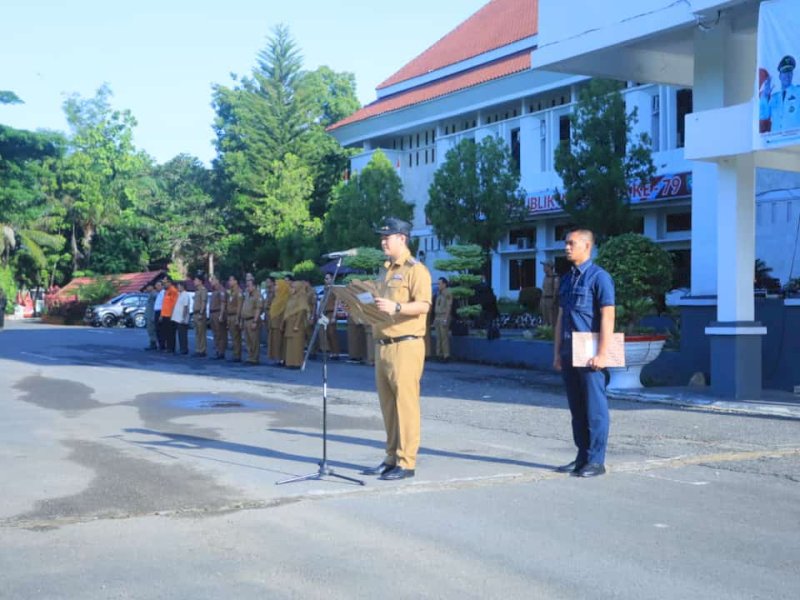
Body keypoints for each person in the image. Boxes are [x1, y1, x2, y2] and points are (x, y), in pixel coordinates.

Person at [362, 217, 432, 481]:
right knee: (388, 406)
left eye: (387, 237)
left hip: (406, 345)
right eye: (381, 237)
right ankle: (391, 457)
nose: (382, 241)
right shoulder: (385, 270)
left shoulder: (416, 270)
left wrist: (398, 308)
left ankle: (406, 461)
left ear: (402, 239)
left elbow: (424, 305)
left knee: (405, 405)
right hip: (383, 345)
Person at [553, 229, 615, 478]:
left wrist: (603, 353)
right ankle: (582, 457)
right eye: (566, 243)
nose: (567, 247)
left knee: (595, 408)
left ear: (587, 246)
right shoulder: (567, 279)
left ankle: (597, 460)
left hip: (590, 351)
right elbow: (560, 317)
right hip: (570, 350)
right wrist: (557, 352)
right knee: (577, 408)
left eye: (572, 243)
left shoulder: (599, 277)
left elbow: (608, 315)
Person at [759, 55, 800, 133]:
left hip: (794, 140)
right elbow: (763, 115)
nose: (788, 75)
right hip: (776, 141)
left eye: (790, 72)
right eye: (785, 72)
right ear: (780, 76)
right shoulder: (774, 97)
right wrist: (765, 95)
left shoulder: (798, 92)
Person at [282, 279, 310, 368]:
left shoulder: (302, 297)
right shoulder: (291, 297)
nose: (291, 289)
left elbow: (301, 312)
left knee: (296, 344)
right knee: (290, 343)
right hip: (289, 323)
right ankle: (289, 362)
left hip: (296, 324)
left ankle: (297, 363)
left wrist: (296, 325)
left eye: (293, 287)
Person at [268, 279, 290, 364]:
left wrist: (282, 324)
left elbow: (285, 313)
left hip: (279, 324)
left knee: (280, 343)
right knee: (274, 342)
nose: (275, 287)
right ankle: (277, 358)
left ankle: (282, 359)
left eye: (277, 285)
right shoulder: (276, 297)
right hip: (273, 323)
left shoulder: (285, 298)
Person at [241, 277, 262, 365]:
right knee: (248, 340)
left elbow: (258, 309)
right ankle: (250, 356)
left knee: (254, 340)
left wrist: (255, 321)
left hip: (252, 320)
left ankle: (255, 358)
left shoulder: (257, 295)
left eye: (249, 286)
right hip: (245, 320)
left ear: (254, 286)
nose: (247, 287)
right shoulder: (247, 294)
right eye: (247, 286)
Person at [320, 273, 341, 358]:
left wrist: (334, 316)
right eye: (325, 279)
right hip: (325, 312)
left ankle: (336, 353)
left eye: (328, 278)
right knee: (327, 333)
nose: (326, 280)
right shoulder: (325, 289)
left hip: (331, 312)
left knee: (332, 333)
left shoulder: (335, 289)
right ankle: (331, 352)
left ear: (332, 279)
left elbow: (336, 302)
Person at [434, 277, 453, 362]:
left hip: (443, 316)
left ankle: (446, 355)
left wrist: (446, 318)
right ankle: (439, 354)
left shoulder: (447, 293)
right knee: (438, 337)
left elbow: (449, 306)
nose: (438, 285)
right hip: (438, 316)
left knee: (444, 337)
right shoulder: (439, 293)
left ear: (444, 284)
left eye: (440, 284)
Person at [208, 275, 227, 360]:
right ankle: (217, 350)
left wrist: (221, 315)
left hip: (218, 313)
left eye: (213, 280)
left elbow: (223, 303)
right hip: (212, 313)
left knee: (220, 333)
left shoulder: (221, 290)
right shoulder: (214, 291)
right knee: (215, 333)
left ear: (218, 280)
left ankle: (221, 351)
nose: (211, 281)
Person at [171, 281, 192, 355]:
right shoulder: (179, 294)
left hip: (182, 318)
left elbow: (185, 307)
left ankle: (184, 349)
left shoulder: (185, 294)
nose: (178, 287)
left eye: (179, 286)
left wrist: (183, 317)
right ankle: (181, 348)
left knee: (183, 334)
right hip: (177, 318)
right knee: (180, 334)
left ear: (183, 286)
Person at [226, 275, 244, 362]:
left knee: (236, 337)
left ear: (235, 281)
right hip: (229, 316)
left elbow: (239, 306)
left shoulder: (239, 292)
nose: (229, 282)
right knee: (233, 337)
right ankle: (235, 354)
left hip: (234, 316)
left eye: (231, 280)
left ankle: (237, 355)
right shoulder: (231, 292)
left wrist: (238, 318)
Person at [160, 279, 179, 353]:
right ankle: (168, 347)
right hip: (165, 314)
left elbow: (174, 304)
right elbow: (164, 304)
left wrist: (172, 314)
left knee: (171, 332)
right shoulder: (166, 291)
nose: (164, 285)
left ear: (169, 283)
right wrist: (161, 315)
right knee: (166, 332)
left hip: (170, 315)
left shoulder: (173, 291)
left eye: (165, 283)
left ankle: (171, 348)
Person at [192, 272, 208, 357]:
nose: (194, 281)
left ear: (200, 281)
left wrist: (201, 313)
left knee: (201, 333)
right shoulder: (197, 291)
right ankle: (198, 349)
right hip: (195, 313)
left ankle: (202, 350)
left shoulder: (203, 290)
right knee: (197, 333)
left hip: (200, 313)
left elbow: (203, 302)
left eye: (196, 280)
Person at [540, 261, 558, 327]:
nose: (543, 268)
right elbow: (543, 289)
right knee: (545, 318)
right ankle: (545, 332)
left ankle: (551, 333)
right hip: (544, 299)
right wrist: (541, 300)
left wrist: (553, 301)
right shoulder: (545, 277)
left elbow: (555, 290)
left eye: (545, 266)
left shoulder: (555, 277)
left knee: (551, 318)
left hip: (550, 299)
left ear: (550, 267)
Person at [144, 282, 159, 350]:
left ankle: (153, 344)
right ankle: (152, 343)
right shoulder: (150, 294)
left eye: (148, 287)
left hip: (151, 315)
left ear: (152, 287)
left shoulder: (154, 293)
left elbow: (157, 298)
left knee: (152, 330)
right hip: (149, 315)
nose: (147, 288)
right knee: (149, 330)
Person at [153, 281, 166, 350]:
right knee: (157, 329)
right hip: (156, 311)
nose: (157, 287)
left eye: (158, 285)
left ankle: (162, 345)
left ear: (162, 286)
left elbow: (163, 305)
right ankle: (160, 345)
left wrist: (161, 315)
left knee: (161, 330)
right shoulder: (159, 293)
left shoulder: (163, 293)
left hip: (160, 312)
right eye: (156, 285)